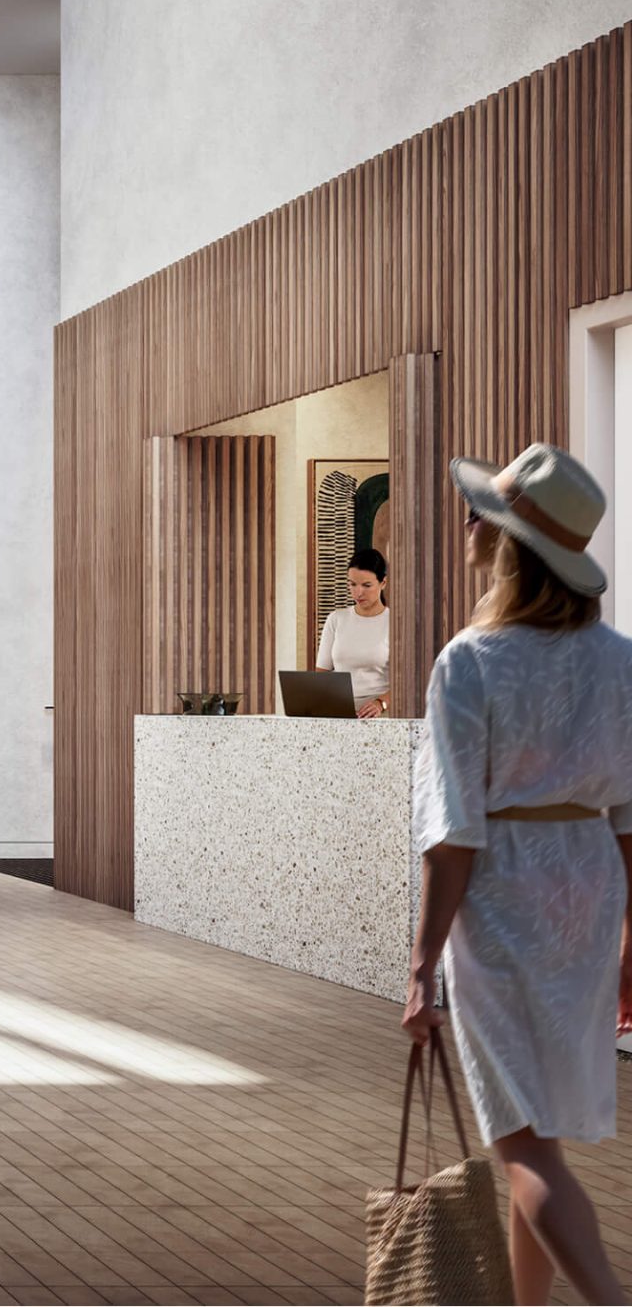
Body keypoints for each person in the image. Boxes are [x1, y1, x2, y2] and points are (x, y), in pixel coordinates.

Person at [405, 442, 632, 1306]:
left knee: (524, 1145)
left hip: (501, 902)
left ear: (511, 545)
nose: (467, 524)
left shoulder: (471, 660)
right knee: (539, 1136)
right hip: (587, 893)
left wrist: (421, 967)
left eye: (482, 515)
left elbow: (455, 832)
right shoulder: (623, 660)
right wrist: (628, 937)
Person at [316, 547, 392, 718]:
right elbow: (321, 675)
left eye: (366, 585)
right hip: (339, 712)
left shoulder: (395, 623)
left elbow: (409, 684)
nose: (358, 592)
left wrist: (381, 704)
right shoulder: (336, 619)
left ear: (383, 583)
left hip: (380, 714)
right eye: (352, 584)